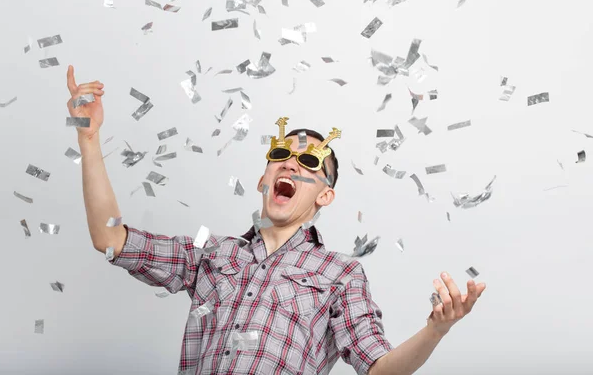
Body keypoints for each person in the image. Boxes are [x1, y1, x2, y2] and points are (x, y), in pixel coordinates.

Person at [66, 65, 486, 375]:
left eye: (307, 161)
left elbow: (378, 368)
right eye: (280, 157)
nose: (290, 167)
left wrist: (436, 330)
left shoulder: (341, 274)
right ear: (263, 179)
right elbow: (109, 237)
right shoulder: (211, 253)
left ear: (325, 194)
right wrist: (88, 138)